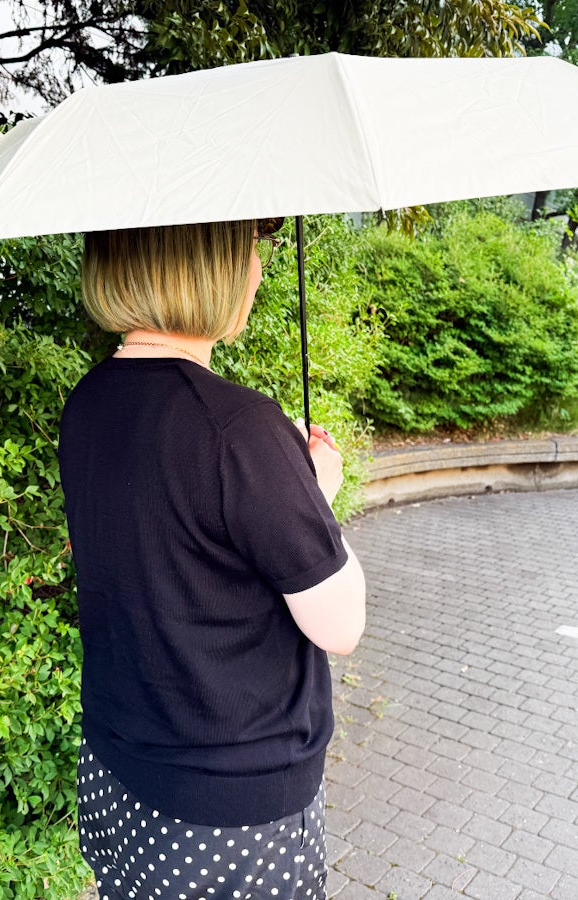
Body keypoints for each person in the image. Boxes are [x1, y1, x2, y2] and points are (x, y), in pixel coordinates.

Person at [58, 217, 366, 900]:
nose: (257, 270)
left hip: (115, 769)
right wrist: (318, 495)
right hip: (228, 812)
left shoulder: (88, 402)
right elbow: (340, 625)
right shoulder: (239, 429)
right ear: (203, 267)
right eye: (249, 250)